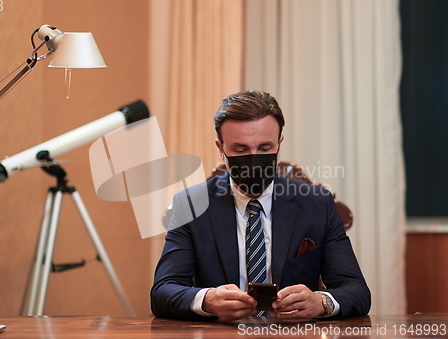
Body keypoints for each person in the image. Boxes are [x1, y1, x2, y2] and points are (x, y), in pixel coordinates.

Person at [150, 90, 371, 322]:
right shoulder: (191, 205)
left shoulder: (317, 204)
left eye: (264, 149)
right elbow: (163, 292)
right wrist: (207, 300)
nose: (253, 159)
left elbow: (357, 291)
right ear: (221, 149)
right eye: (241, 150)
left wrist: (321, 302)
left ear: (279, 144)